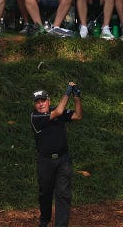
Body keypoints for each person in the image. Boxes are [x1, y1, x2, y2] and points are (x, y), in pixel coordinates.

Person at [30, 82, 83, 227]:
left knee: (63, 194)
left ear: (49, 101)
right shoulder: (36, 117)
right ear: (35, 105)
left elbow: (78, 116)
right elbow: (59, 112)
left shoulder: (56, 111)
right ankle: (45, 220)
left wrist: (77, 97)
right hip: (45, 162)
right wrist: (67, 92)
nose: (40, 104)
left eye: (43, 100)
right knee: (45, 194)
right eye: (37, 102)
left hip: (63, 160)